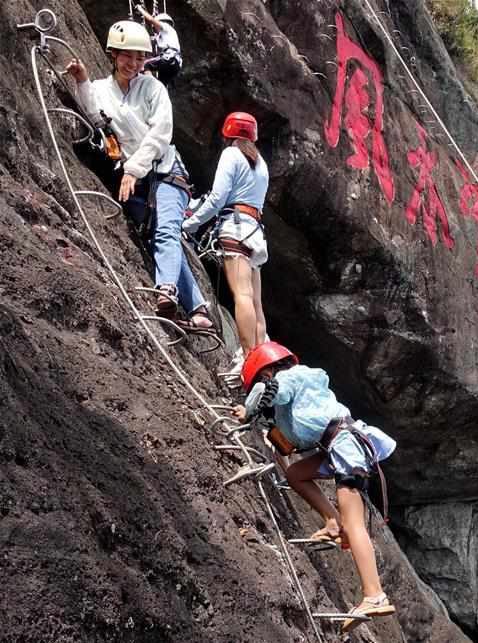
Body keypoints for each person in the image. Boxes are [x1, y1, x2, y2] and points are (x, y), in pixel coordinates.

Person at [233, 342, 397, 633]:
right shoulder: (305, 382)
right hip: (337, 447)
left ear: (268, 371)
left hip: (344, 446)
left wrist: (248, 410)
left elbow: (270, 394)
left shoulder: (288, 379)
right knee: (297, 474)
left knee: (355, 524)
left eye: (261, 378)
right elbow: (288, 438)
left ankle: (374, 594)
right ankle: (332, 522)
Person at [66, 21, 212, 330]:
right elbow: (95, 116)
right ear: (114, 54)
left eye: (140, 57)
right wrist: (81, 80)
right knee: (159, 234)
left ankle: (167, 291)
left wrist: (132, 170)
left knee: (166, 232)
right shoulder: (103, 90)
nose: (134, 63)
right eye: (127, 56)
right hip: (135, 177)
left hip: (166, 171)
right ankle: (198, 309)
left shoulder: (153, 88)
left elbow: (160, 134)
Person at [183, 112, 269, 372]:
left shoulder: (232, 154)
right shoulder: (260, 162)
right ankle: (261, 361)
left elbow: (218, 198)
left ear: (227, 133)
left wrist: (190, 223)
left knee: (242, 296)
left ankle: (249, 358)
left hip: (236, 227)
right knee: (256, 303)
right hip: (256, 232)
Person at [135, 5, 182, 87]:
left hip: (169, 58)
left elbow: (151, 20)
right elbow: (151, 40)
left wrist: (141, 10)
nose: (154, 29)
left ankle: (152, 86)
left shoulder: (166, 27)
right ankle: (158, 93)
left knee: (144, 65)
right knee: (161, 86)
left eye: (154, 27)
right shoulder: (166, 35)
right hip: (175, 64)